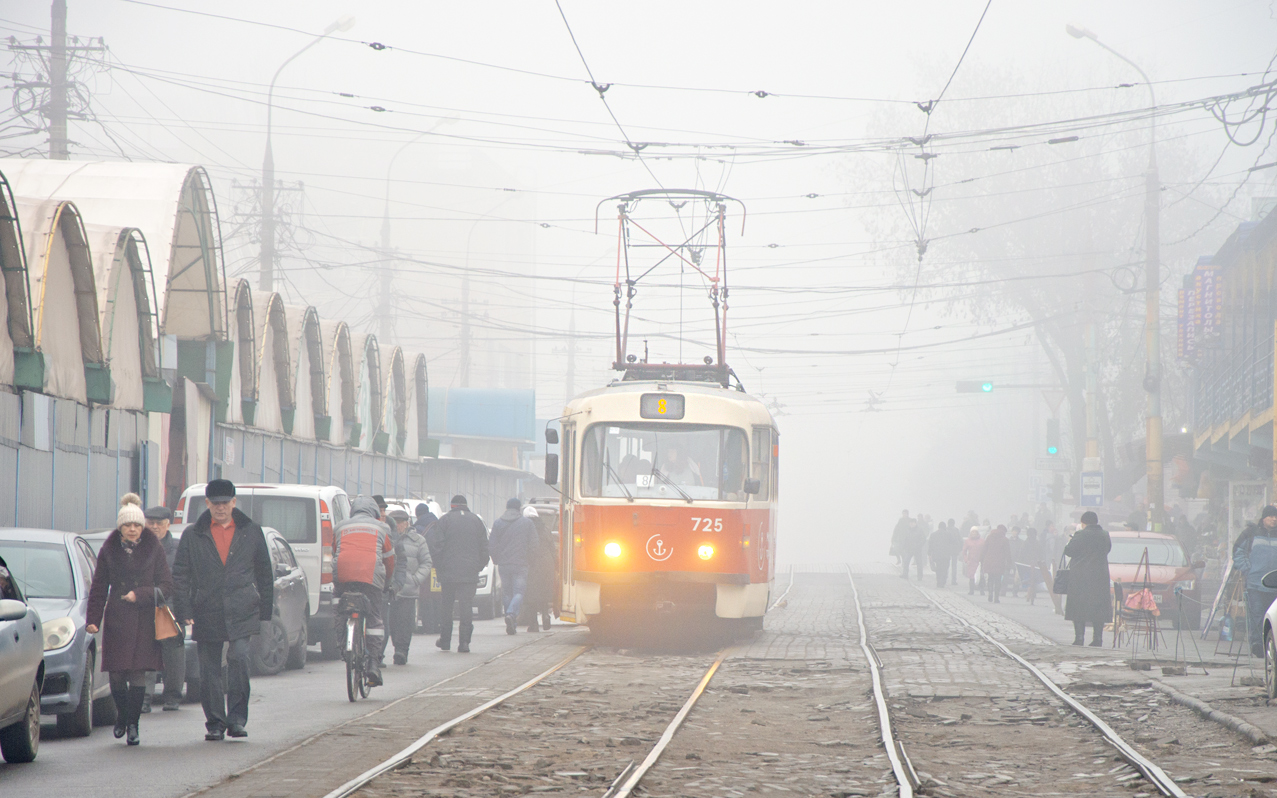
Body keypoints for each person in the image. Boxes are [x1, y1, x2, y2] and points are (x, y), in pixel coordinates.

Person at [172, 479, 274, 741]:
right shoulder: (193, 534)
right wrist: (184, 610)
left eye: (225, 503)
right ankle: (215, 722)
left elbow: (264, 572)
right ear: (207, 504)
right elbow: (181, 574)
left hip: (242, 608)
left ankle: (237, 720)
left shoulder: (251, 531)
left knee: (239, 658)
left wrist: (265, 611)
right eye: (215, 503)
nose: (220, 508)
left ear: (233, 502)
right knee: (209, 669)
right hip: (207, 609)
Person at [85, 494, 175, 746]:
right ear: (120, 527)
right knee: (116, 674)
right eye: (127, 525)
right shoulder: (109, 549)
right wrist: (93, 618)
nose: (133, 529)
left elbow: (167, 586)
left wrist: (141, 594)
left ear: (142, 526)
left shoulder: (154, 548)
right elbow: (99, 585)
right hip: (116, 618)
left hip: (144, 619)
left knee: (137, 674)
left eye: (136, 525)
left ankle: (133, 724)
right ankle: (122, 716)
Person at [333, 496, 396, 684]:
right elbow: (389, 560)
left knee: (339, 606)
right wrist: (387, 583)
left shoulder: (340, 527)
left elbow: (335, 551)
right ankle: (374, 663)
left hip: (343, 574)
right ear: (374, 512)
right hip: (371, 576)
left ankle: (343, 644)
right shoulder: (382, 528)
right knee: (375, 618)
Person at [425, 495, 489, 653]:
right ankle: (464, 642)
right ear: (466, 505)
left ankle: (445, 640)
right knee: (466, 606)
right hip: (469, 573)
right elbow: (485, 548)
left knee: (447, 607)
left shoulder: (444, 521)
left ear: (451, 505)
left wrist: (440, 567)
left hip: (448, 573)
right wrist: (478, 567)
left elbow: (436, 546)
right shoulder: (476, 521)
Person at [141, 505, 184, 713]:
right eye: (150, 523)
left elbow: (184, 580)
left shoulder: (178, 549)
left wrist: (184, 610)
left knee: (172, 653)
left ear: (168, 525)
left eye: (159, 523)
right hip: (145, 605)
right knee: (146, 651)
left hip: (170, 606)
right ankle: (144, 698)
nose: (155, 527)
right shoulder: (137, 547)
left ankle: (172, 697)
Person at [1232, 505, 1277, 658]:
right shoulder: (1251, 533)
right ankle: (1257, 645)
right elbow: (1237, 552)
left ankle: (1272, 646)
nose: (1274, 519)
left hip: (1275, 586)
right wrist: (1247, 569)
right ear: (1263, 518)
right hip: (1255, 584)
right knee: (1257, 615)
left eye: (1276, 516)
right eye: (1271, 516)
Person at [387, 508, 430, 665]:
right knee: (391, 622)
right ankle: (395, 646)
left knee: (406, 622)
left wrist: (416, 579)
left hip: (408, 590)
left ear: (407, 524)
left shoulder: (418, 541)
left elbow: (426, 562)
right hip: (390, 589)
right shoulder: (385, 539)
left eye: (400, 523)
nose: (397, 526)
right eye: (394, 523)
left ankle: (402, 651)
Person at [489, 498, 538, 635]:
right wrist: (530, 560)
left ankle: (511, 623)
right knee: (518, 592)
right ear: (519, 509)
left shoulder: (498, 523)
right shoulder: (527, 523)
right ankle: (511, 614)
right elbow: (534, 544)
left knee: (507, 593)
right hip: (520, 563)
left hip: (504, 564)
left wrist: (496, 559)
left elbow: (491, 544)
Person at [1063, 511, 1113, 647]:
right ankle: (1098, 638)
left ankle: (1079, 637)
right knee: (1099, 607)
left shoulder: (1080, 535)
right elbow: (1107, 549)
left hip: (1080, 576)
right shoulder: (1105, 535)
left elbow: (1069, 551)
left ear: (1083, 523)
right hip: (1100, 576)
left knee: (1078, 606)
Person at [523, 505, 555, 632]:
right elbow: (552, 547)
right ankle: (546, 615)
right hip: (547, 563)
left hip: (531, 564)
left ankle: (533, 624)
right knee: (543, 593)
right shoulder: (545, 529)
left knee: (530, 596)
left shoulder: (525, 529)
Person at [980, 525, 1012, 603]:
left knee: (990, 578)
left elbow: (984, 549)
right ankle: (996, 597)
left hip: (989, 561)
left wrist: (981, 560)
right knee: (998, 580)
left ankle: (990, 593)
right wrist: (1009, 563)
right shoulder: (1005, 540)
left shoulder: (989, 537)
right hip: (999, 562)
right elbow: (1008, 553)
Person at [928, 523, 952, 588]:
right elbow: (951, 544)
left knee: (938, 569)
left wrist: (929, 553)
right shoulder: (949, 535)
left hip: (937, 555)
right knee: (945, 568)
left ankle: (939, 582)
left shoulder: (933, 535)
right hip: (946, 555)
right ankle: (943, 581)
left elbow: (930, 545)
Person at [961, 527, 983, 595]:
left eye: (975, 532)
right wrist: (966, 560)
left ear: (977, 533)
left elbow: (985, 550)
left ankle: (982, 590)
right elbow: (964, 551)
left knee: (981, 576)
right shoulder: (967, 541)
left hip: (980, 561)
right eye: (972, 532)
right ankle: (971, 590)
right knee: (971, 576)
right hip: (971, 561)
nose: (974, 533)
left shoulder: (982, 541)